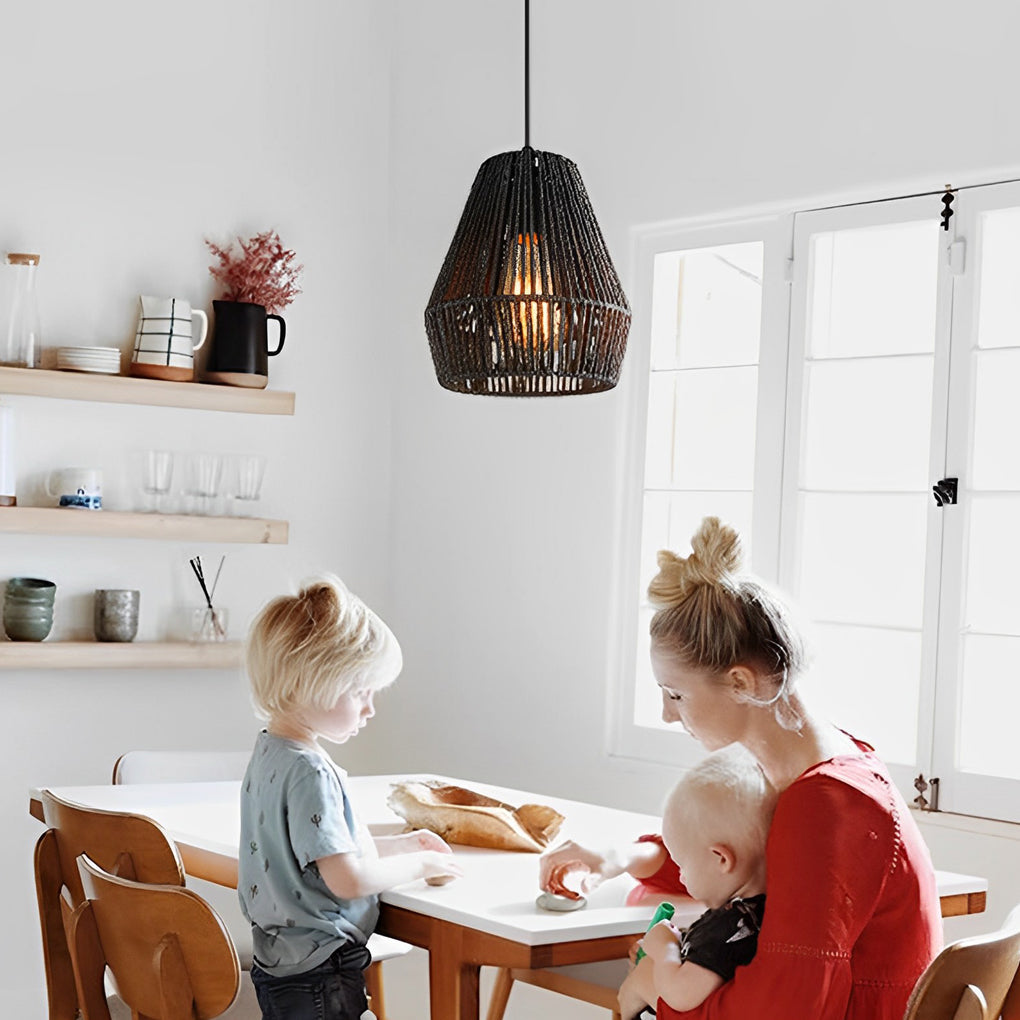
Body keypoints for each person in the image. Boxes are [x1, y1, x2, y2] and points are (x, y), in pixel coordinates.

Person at [540, 517, 942, 1020]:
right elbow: (749, 858)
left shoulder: (824, 805)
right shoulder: (825, 763)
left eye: (676, 694)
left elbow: (784, 1010)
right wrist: (625, 856)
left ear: (740, 683)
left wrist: (655, 987)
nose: (668, 714)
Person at [239, 576, 462, 1020]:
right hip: (322, 969)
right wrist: (421, 864)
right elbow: (347, 880)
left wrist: (403, 844)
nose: (370, 708)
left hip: (280, 962)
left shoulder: (270, 752)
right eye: (360, 691)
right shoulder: (311, 771)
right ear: (311, 682)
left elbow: (315, 850)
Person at [618, 744, 775, 1019]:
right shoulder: (751, 914)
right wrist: (665, 952)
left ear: (721, 859)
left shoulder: (733, 925)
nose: (680, 875)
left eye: (682, 864)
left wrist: (664, 949)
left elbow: (681, 995)